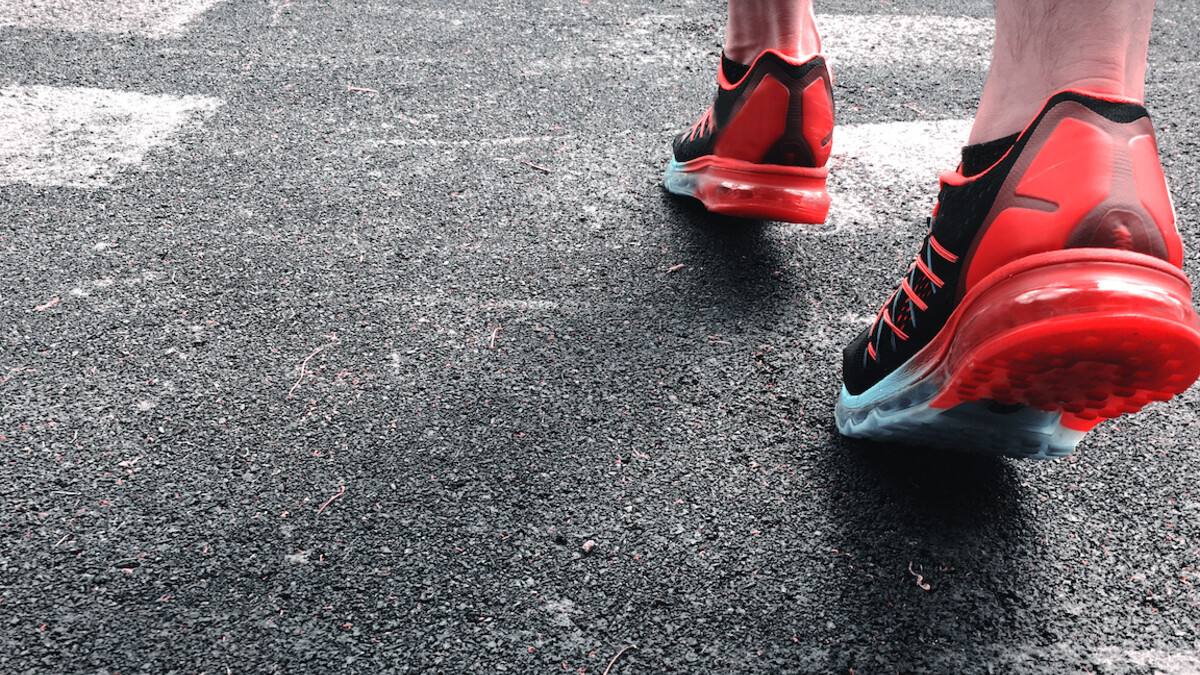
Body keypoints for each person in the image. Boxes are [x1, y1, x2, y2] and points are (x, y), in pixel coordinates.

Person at [665, 0, 1200, 459]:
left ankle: (769, 81)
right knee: (1094, 67)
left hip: (1021, 197)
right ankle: (1104, 146)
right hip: (1128, 196)